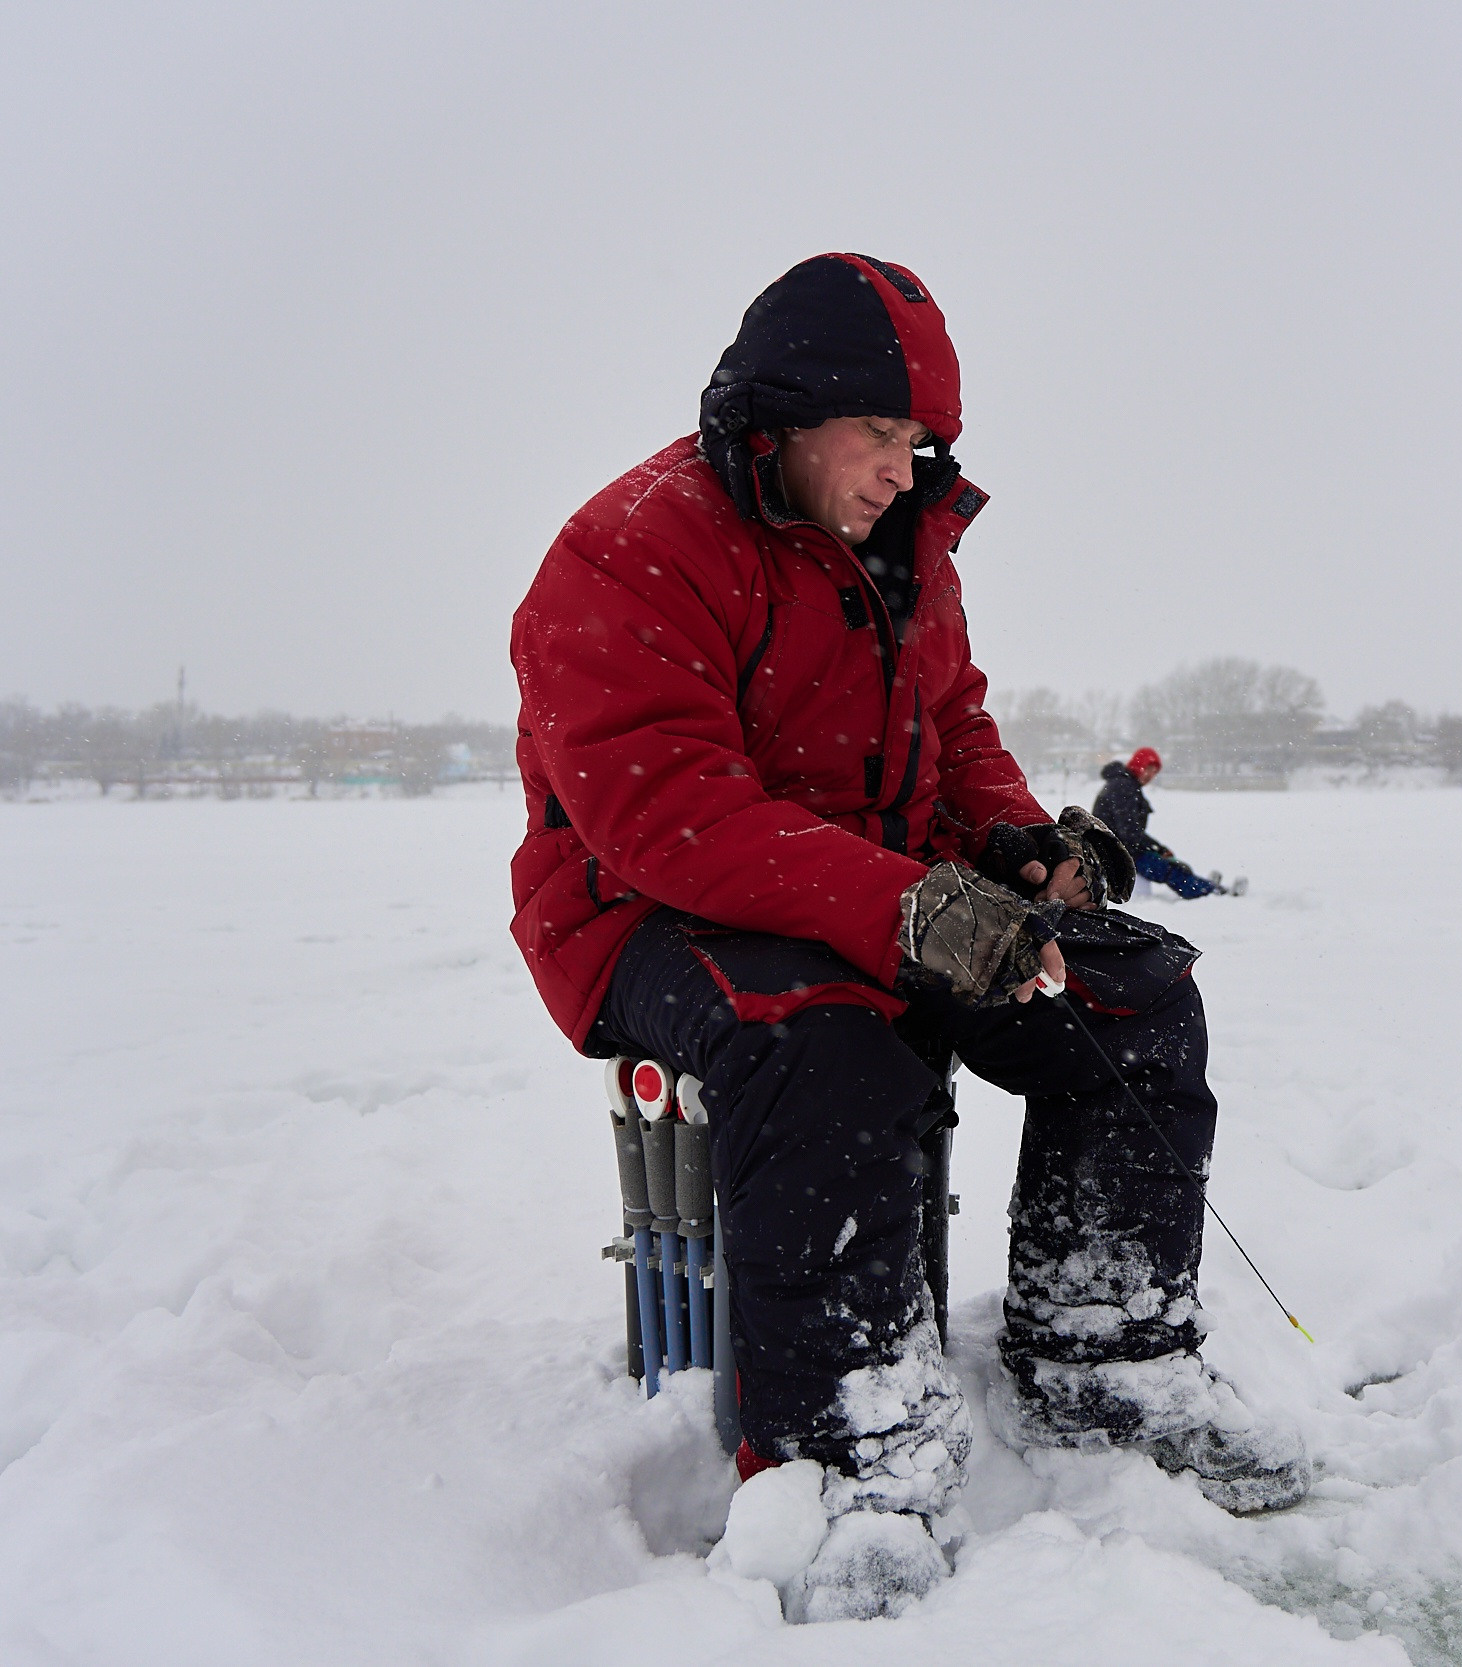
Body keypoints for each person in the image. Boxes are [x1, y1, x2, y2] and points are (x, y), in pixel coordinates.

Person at [508, 254, 1304, 1619]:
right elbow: (666, 812)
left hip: (871, 895)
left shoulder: (909, 552)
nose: (900, 468)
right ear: (781, 417)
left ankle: (1102, 1353)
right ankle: (846, 1453)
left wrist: (1018, 850)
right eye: (875, 436)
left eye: (917, 442)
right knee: (827, 1041)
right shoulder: (630, 545)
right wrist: (910, 909)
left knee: (1133, 991)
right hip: (650, 913)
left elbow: (958, 735)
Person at [1094, 748, 1247, 900]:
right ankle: (1212, 891)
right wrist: (1158, 849)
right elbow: (1129, 832)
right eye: (1148, 769)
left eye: (1154, 772)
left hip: (1120, 849)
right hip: (1119, 854)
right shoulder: (1123, 787)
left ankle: (1204, 884)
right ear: (1137, 764)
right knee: (1171, 870)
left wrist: (1157, 848)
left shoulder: (1124, 784)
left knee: (1171, 865)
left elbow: (1129, 831)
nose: (1150, 776)